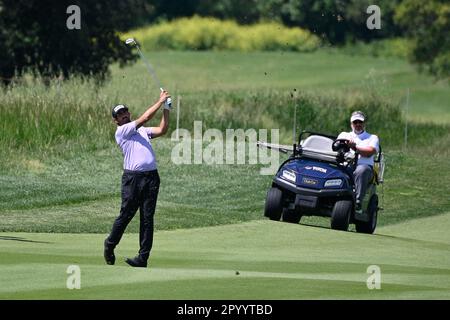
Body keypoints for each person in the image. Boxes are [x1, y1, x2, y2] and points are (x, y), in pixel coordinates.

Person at [104, 89, 171, 268]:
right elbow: (146, 117)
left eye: (125, 112)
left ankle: (143, 258)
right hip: (132, 179)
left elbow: (162, 129)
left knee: (147, 218)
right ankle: (110, 244)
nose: (123, 115)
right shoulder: (122, 131)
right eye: (119, 114)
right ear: (116, 121)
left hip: (151, 178)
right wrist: (160, 100)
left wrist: (167, 108)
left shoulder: (142, 132)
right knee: (126, 215)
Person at [337, 111, 379, 214]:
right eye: (355, 122)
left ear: (364, 123)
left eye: (360, 122)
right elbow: (335, 147)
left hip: (364, 168)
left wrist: (355, 148)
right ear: (351, 124)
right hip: (346, 166)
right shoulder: (344, 135)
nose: (358, 125)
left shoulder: (372, 138)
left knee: (361, 170)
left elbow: (369, 152)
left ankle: (358, 202)